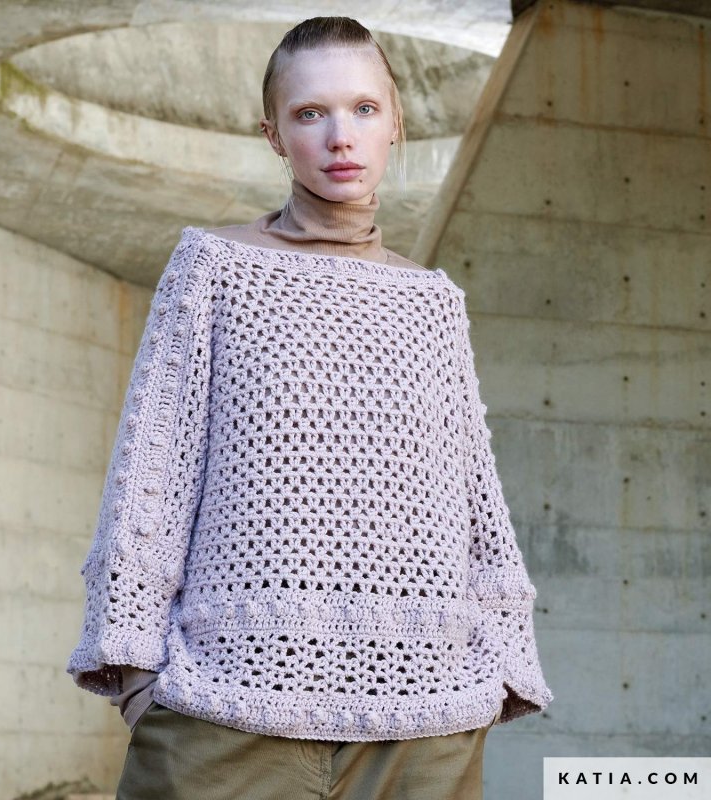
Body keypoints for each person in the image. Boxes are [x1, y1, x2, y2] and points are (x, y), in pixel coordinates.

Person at [67, 16, 553, 800]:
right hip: (225, 711)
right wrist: (136, 680)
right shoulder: (214, 268)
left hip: (426, 722)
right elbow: (150, 474)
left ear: (396, 123)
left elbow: (472, 497)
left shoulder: (432, 302)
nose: (340, 137)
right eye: (309, 113)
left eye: (363, 108)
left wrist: (501, 666)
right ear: (274, 134)